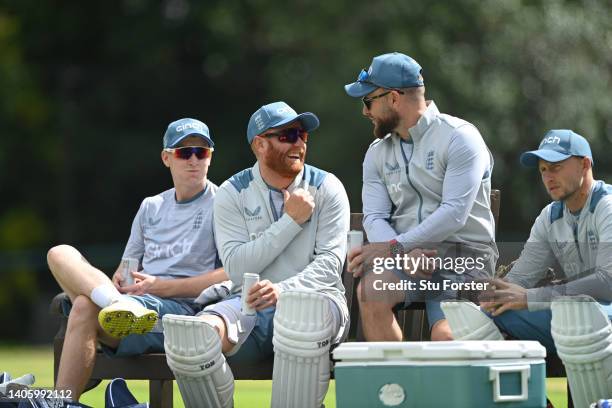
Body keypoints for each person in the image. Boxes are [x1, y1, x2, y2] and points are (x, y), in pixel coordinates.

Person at [162, 101, 350, 408]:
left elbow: (330, 266)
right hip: (250, 306)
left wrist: (282, 290)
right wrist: (290, 222)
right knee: (193, 340)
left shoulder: (327, 187)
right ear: (260, 145)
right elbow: (236, 268)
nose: (300, 143)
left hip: (319, 304)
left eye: (302, 134)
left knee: (301, 318)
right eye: (288, 135)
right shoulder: (231, 192)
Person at [46, 118, 227, 401]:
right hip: (134, 303)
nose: (193, 160)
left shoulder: (224, 203)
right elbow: (127, 267)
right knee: (58, 253)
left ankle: (59, 403)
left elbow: (231, 273)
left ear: (210, 158)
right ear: (167, 158)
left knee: (83, 307)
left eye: (201, 152)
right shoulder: (151, 206)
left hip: (180, 313)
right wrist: (122, 278)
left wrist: (160, 287)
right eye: (184, 152)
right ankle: (115, 304)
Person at [442, 129, 612, 408]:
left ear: (585, 164)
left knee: (577, 315)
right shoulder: (550, 216)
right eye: (543, 169)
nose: (548, 176)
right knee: (483, 321)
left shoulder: (607, 206)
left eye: (556, 167)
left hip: (597, 316)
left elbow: (607, 282)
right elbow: (520, 279)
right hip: (575, 317)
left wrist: (531, 298)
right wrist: (493, 293)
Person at [344, 52, 498, 341]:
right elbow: (375, 217)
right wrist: (401, 254)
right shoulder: (376, 152)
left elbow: (454, 213)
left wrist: (395, 249)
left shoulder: (460, 136)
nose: (365, 112)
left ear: (392, 98)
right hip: (405, 261)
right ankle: (395, 386)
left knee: (445, 337)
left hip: (462, 261)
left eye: (368, 102)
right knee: (370, 292)